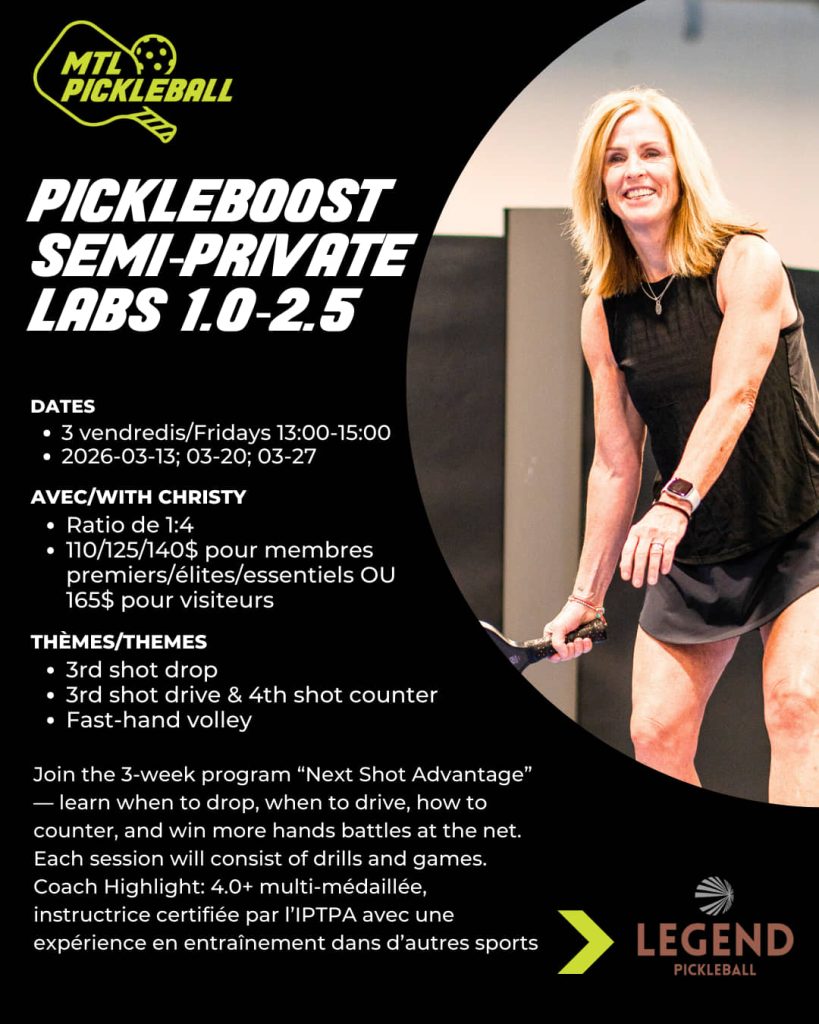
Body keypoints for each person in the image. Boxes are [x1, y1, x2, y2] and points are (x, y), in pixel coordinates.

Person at [542, 87, 819, 806]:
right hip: (698, 546)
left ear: (681, 167)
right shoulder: (604, 311)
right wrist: (585, 597)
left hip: (800, 524)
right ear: (598, 183)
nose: (634, 170)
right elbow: (614, 462)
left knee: (797, 704)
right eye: (615, 159)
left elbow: (735, 397)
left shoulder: (745, 262)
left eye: (651, 152)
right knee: (655, 735)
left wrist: (673, 503)